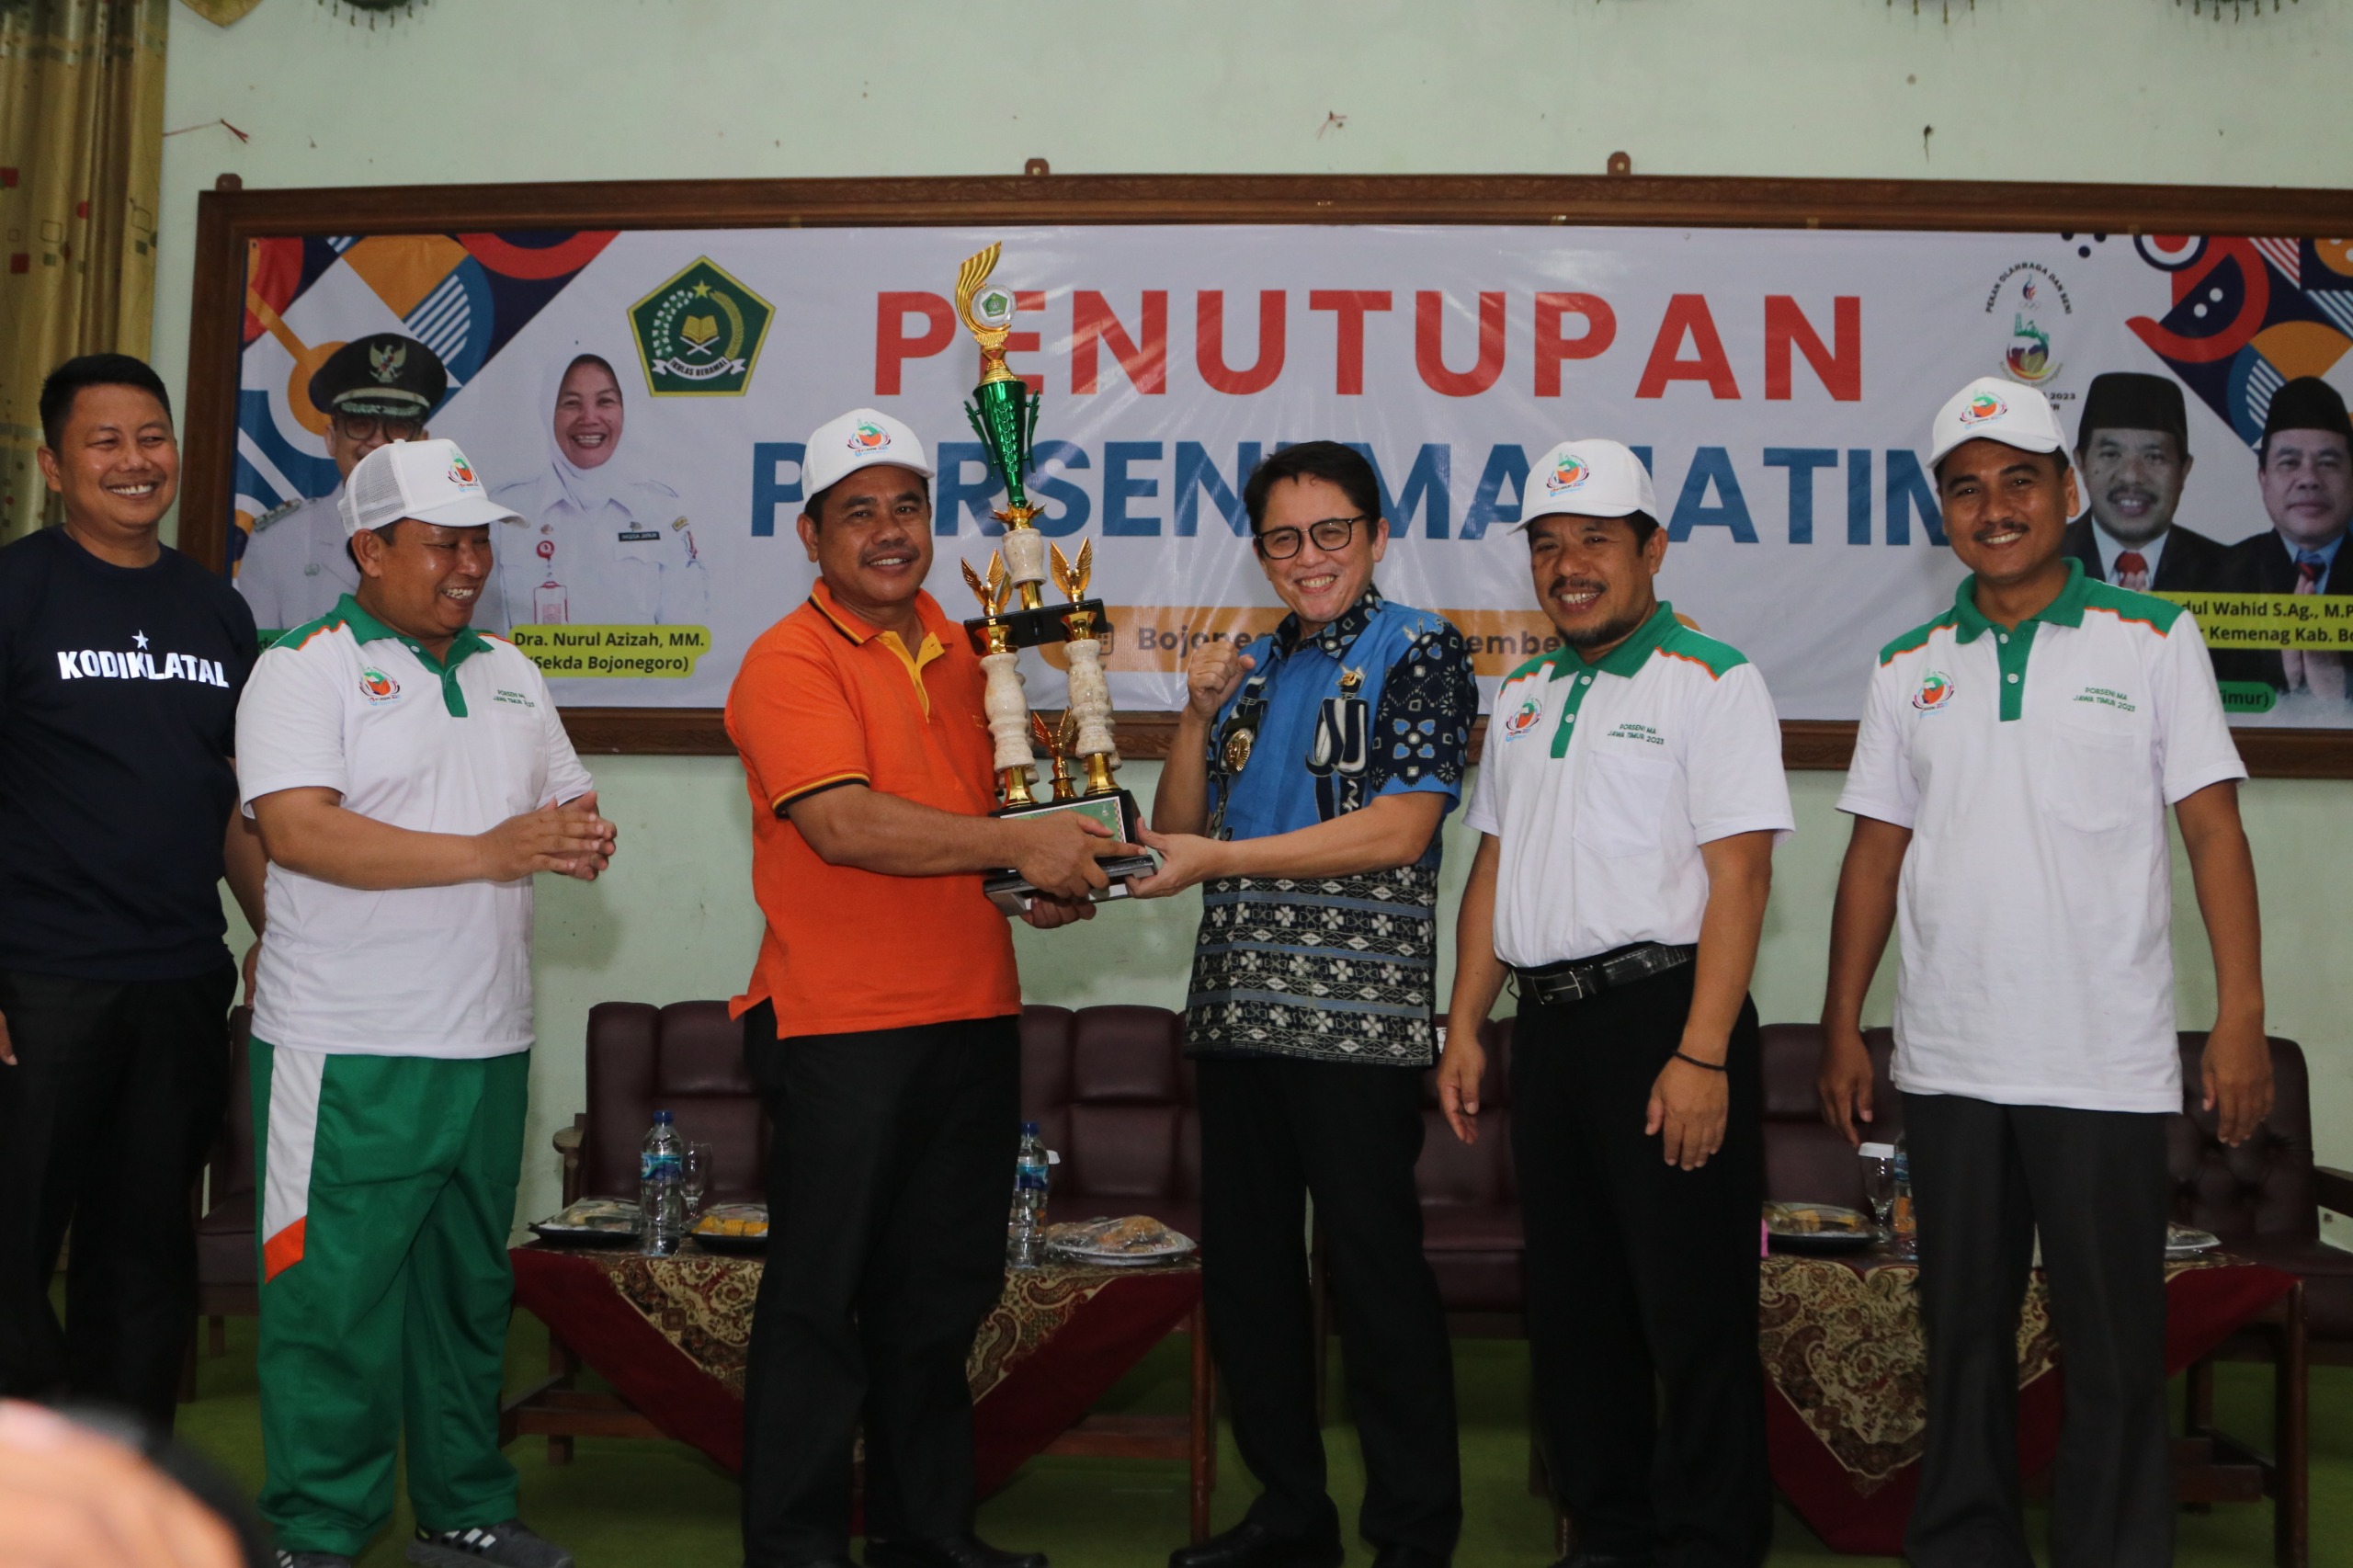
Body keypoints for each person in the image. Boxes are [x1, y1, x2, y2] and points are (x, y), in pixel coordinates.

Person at [1819, 377, 2269, 1568]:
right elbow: (1873, 853)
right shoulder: (1907, 663)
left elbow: (2214, 831)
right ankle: (1964, 1545)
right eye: (1966, 489)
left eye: (2019, 480)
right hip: (1951, 1059)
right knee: (1961, 1334)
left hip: (2102, 1059)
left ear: (2068, 491)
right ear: (1943, 513)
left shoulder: (2155, 638)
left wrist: (2240, 1015)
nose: (1995, 507)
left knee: (2111, 1345)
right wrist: (1840, 1021)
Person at [728, 406, 1131, 1568]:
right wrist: (1017, 847)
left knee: (940, 1295)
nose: (889, 530)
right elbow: (845, 824)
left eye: (907, 505)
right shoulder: (786, 660)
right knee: (819, 1301)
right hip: (840, 1025)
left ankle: (926, 1532)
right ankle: (796, 1549)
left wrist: (1032, 882)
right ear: (811, 536)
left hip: (972, 1010)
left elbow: (978, 823)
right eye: (858, 512)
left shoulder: (965, 650)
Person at [237, 437, 615, 1568]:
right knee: (333, 1301)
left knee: (466, 1290)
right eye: (441, 543)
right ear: (369, 548)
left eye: (478, 543)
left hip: (488, 1039)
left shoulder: (510, 669)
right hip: (346, 1048)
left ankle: (464, 1507)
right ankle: (318, 1530)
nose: (470, 565)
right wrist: (492, 848)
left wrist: (577, 835)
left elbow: (567, 799)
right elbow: (298, 831)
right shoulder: (301, 669)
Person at [1435, 438, 1790, 1568]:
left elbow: (1741, 876)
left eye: (1594, 540)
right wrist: (1464, 1023)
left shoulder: (1712, 678)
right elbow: (1495, 865)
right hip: (1547, 1029)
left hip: (1666, 1021)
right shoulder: (1524, 693)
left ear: (1652, 548)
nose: (1568, 565)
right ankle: (1610, 1535)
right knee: (1575, 1306)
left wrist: (1701, 1054)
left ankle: (1712, 1541)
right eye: (1547, 545)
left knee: (1691, 1309)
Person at [1131, 440, 1473, 1568]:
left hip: (1351, 1023)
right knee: (1250, 1279)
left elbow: (1401, 829)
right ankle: (1290, 1511)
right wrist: (1194, 716)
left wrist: (1221, 862)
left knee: (1373, 1277)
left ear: (1376, 536)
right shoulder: (1254, 662)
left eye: (1332, 532)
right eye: (1283, 538)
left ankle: (1412, 1530)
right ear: (1261, 550)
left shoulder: (1420, 649)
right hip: (1236, 1012)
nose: (1308, 556)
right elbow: (1178, 831)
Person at [0, 353, 266, 1428]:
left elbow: (233, 797)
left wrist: (274, 931)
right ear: (54, 465)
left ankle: (128, 1479)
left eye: (151, 436)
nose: (134, 460)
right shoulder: (16, 592)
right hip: (38, 985)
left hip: (179, 981)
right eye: (104, 440)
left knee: (147, 1251)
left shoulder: (216, 609)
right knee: (14, 1252)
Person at [234, 333, 500, 633]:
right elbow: (262, 656)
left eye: (397, 426)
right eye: (360, 424)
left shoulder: (465, 542)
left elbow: (477, 649)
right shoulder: (278, 542)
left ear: (422, 442)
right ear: (331, 439)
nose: (377, 442)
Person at [492, 350, 705, 627]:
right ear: (548, 412)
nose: (589, 418)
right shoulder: (505, 513)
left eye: (605, 402)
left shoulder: (661, 511)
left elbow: (687, 629)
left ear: (625, 410)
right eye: (571, 403)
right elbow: (484, 630)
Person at [2216, 376, 2353, 700]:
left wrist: (2342, 691)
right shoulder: (2215, 576)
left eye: (2328, 463)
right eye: (2289, 463)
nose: (2309, 479)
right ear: (2263, 479)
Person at [2061, 370, 2223, 592]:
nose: (2132, 476)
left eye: (2154, 457)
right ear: (2081, 462)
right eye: (2111, 454)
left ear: (2184, 469)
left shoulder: (2227, 570)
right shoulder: (2043, 560)